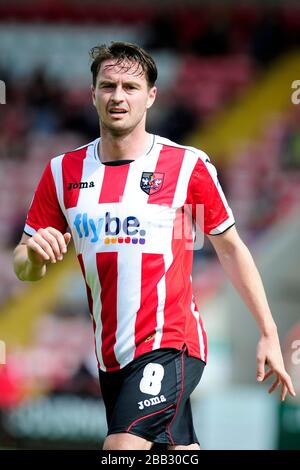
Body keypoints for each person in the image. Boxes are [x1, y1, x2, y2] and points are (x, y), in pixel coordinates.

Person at [13, 41, 296, 451]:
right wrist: (35, 255)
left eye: (130, 86)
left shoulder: (186, 165)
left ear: (151, 96)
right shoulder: (62, 172)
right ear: (93, 94)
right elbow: (23, 265)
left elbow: (231, 248)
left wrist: (268, 332)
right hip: (112, 357)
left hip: (171, 342)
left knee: (122, 449)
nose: (118, 96)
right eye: (108, 86)